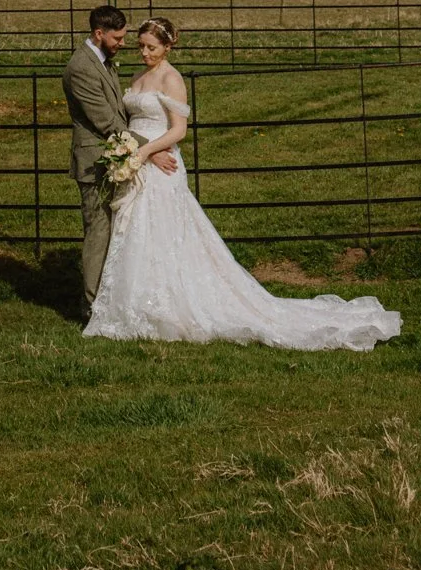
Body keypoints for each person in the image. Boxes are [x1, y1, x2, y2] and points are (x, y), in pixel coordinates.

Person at [85, 18, 403, 352]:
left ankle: (170, 305)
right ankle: (137, 305)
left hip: (160, 162)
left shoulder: (171, 78)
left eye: (152, 47)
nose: (145, 53)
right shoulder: (137, 77)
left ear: (167, 47)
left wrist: (147, 151)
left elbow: (179, 129)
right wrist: (133, 152)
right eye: (141, 46)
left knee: (163, 232)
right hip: (140, 163)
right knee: (136, 232)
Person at [61, 5, 179, 314]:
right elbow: (106, 121)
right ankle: (92, 306)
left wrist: (143, 149)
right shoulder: (81, 67)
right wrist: (151, 149)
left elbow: (120, 113)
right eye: (118, 38)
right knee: (99, 232)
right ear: (99, 33)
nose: (123, 44)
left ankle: (117, 297)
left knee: (122, 231)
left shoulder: (104, 61)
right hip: (96, 160)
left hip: (121, 155)